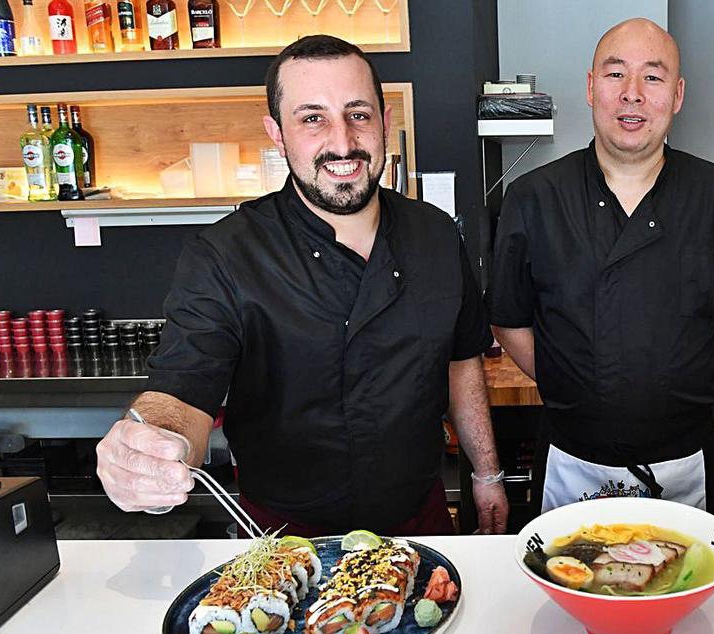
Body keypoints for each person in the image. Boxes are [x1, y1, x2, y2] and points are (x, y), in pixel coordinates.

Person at [94, 35, 508, 536]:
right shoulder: (226, 254)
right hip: (283, 542)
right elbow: (182, 390)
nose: (341, 141)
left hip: (419, 522)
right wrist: (153, 442)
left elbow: (462, 362)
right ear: (277, 133)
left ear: (385, 121)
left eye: (358, 113)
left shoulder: (437, 235)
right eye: (312, 118)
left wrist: (486, 473)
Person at [488, 18, 714, 516]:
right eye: (616, 75)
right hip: (572, 457)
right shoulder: (533, 197)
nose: (632, 94)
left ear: (677, 95)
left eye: (653, 78)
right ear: (592, 88)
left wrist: (667, 386)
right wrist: (574, 384)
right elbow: (509, 319)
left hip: (682, 459)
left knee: (686, 590)